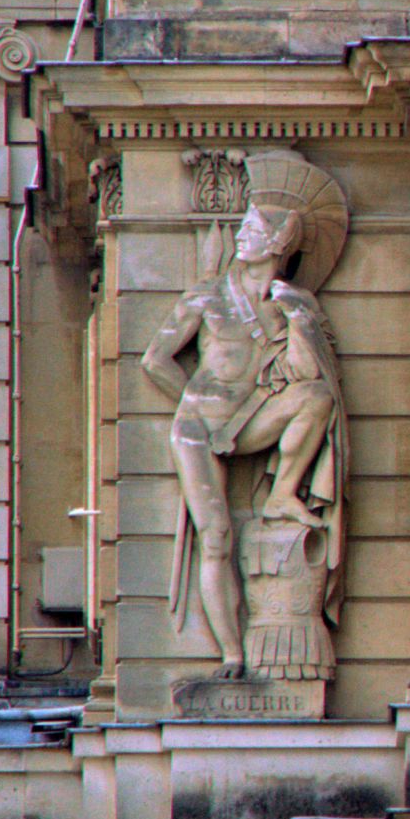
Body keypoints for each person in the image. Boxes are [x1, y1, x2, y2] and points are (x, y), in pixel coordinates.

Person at [142, 200, 346, 671]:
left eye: (251, 229)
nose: (240, 235)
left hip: (251, 421)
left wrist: (298, 320)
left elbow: (309, 374)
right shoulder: (207, 296)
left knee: (316, 398)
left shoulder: (294, 302)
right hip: (197, 430)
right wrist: (194, 402)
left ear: (276, 243)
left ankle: (280, 495)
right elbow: (155, 360)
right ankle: (233, 654)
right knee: (217, 536)